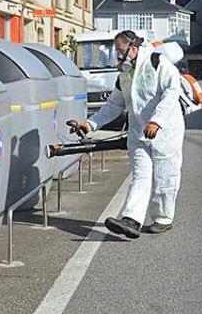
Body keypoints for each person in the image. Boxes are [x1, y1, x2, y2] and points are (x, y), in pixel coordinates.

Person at [68, 30, 185, 238]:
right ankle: (131, 220)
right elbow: (114, 105)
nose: (118, 56)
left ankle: (163, 218)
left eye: (120, 51)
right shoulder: (124, 74)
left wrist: (157, 121)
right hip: (138, 132)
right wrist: (90, 124)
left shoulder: (157, 62)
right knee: (140, 175)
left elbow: (171, 92)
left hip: (166, 131)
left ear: (133, 48)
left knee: (164, 176)